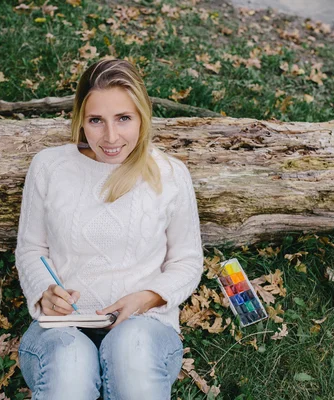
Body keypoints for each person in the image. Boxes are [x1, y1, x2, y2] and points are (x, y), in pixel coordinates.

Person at [15, 58, 203, 400]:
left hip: (144, 327)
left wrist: (147, 299)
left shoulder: (170, 174)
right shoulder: (50, 167)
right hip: (61, 329)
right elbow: (31, 249)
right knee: (69, 367)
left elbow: (187, 261)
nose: (111, 137)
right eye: (96, 121)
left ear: (142, 117)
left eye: (124, 119)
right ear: (80, 120)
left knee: (131, 352)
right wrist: (45, 291)